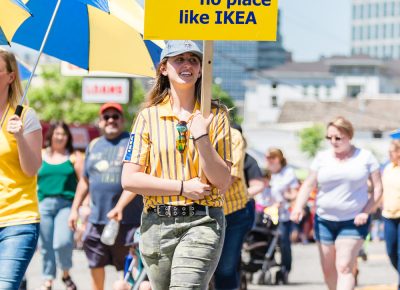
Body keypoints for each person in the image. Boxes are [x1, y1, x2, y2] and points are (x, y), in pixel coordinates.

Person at [108, 40, 232, 290]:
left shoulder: (216, 116)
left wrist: (201, 136)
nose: (187, 65)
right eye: (179, 59)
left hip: (203, 221)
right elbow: (130, 179)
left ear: (200, 69)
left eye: (193, 60)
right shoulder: (147, 116)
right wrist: (182, 187)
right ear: (164, 68)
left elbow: (222, 180)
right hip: (156, 224)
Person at [291, 116, 383, 290]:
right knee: (328, 271)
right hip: (324, 220)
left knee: (344, 266)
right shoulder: (322, 157)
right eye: (329, 137)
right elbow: (309, 184)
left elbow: (378, 189)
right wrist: (298, 206)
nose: (333, 141)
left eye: (338, 138)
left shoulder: (365, 157)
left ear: (349, 136)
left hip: (354, 220)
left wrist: (366, 211)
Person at [68, 103, 143, 290]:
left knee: (129, 277)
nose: (111, 120)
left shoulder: (132, 142)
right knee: (95, 265)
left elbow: (138, 178)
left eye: (115, 116)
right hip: (97, 221)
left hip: (128, 222)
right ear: (100, 122)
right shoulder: (94, 145)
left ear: (122, 120)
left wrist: (119, 207)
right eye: (106, 117)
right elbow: (85, 181)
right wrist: (74, 209)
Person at [0, 48, 42, 289]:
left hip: (18, 219)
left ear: (10, 77)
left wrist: (20, 138)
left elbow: (31, 168)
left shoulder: (25, 117)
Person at [38, 122, 83, 290]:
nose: (60, 137)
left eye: (63, 134)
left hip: (66, 205)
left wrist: (80, 208)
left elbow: (83, 183)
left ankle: (65, 273)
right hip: (43, 204)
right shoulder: (41, 155)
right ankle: (48, 279)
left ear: (68, 137)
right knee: (46, 245)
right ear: (50, 135)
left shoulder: (73, 156)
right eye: (57, 133)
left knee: (63, 242)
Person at [214, 125, 254, 290]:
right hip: (200, 210)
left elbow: (227, 179)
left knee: (225, 269)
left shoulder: (232, 136)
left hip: (233, 213)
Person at [262, 148, 299, 282]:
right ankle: (261, 263)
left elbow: (295, 193)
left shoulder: (287, 173)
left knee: (283, 240)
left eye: (271, 158)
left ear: (278, 159)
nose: (268, 161)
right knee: (259, 237)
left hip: (281, 213)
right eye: (267, 158)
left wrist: (285, 198)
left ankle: (285, 269)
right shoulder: (265, 172)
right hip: (264, 212)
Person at [382, 139, 400, 290]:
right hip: (388, 215)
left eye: (391, 152)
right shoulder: (387, 168)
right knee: (391, 251)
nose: (389, 155)